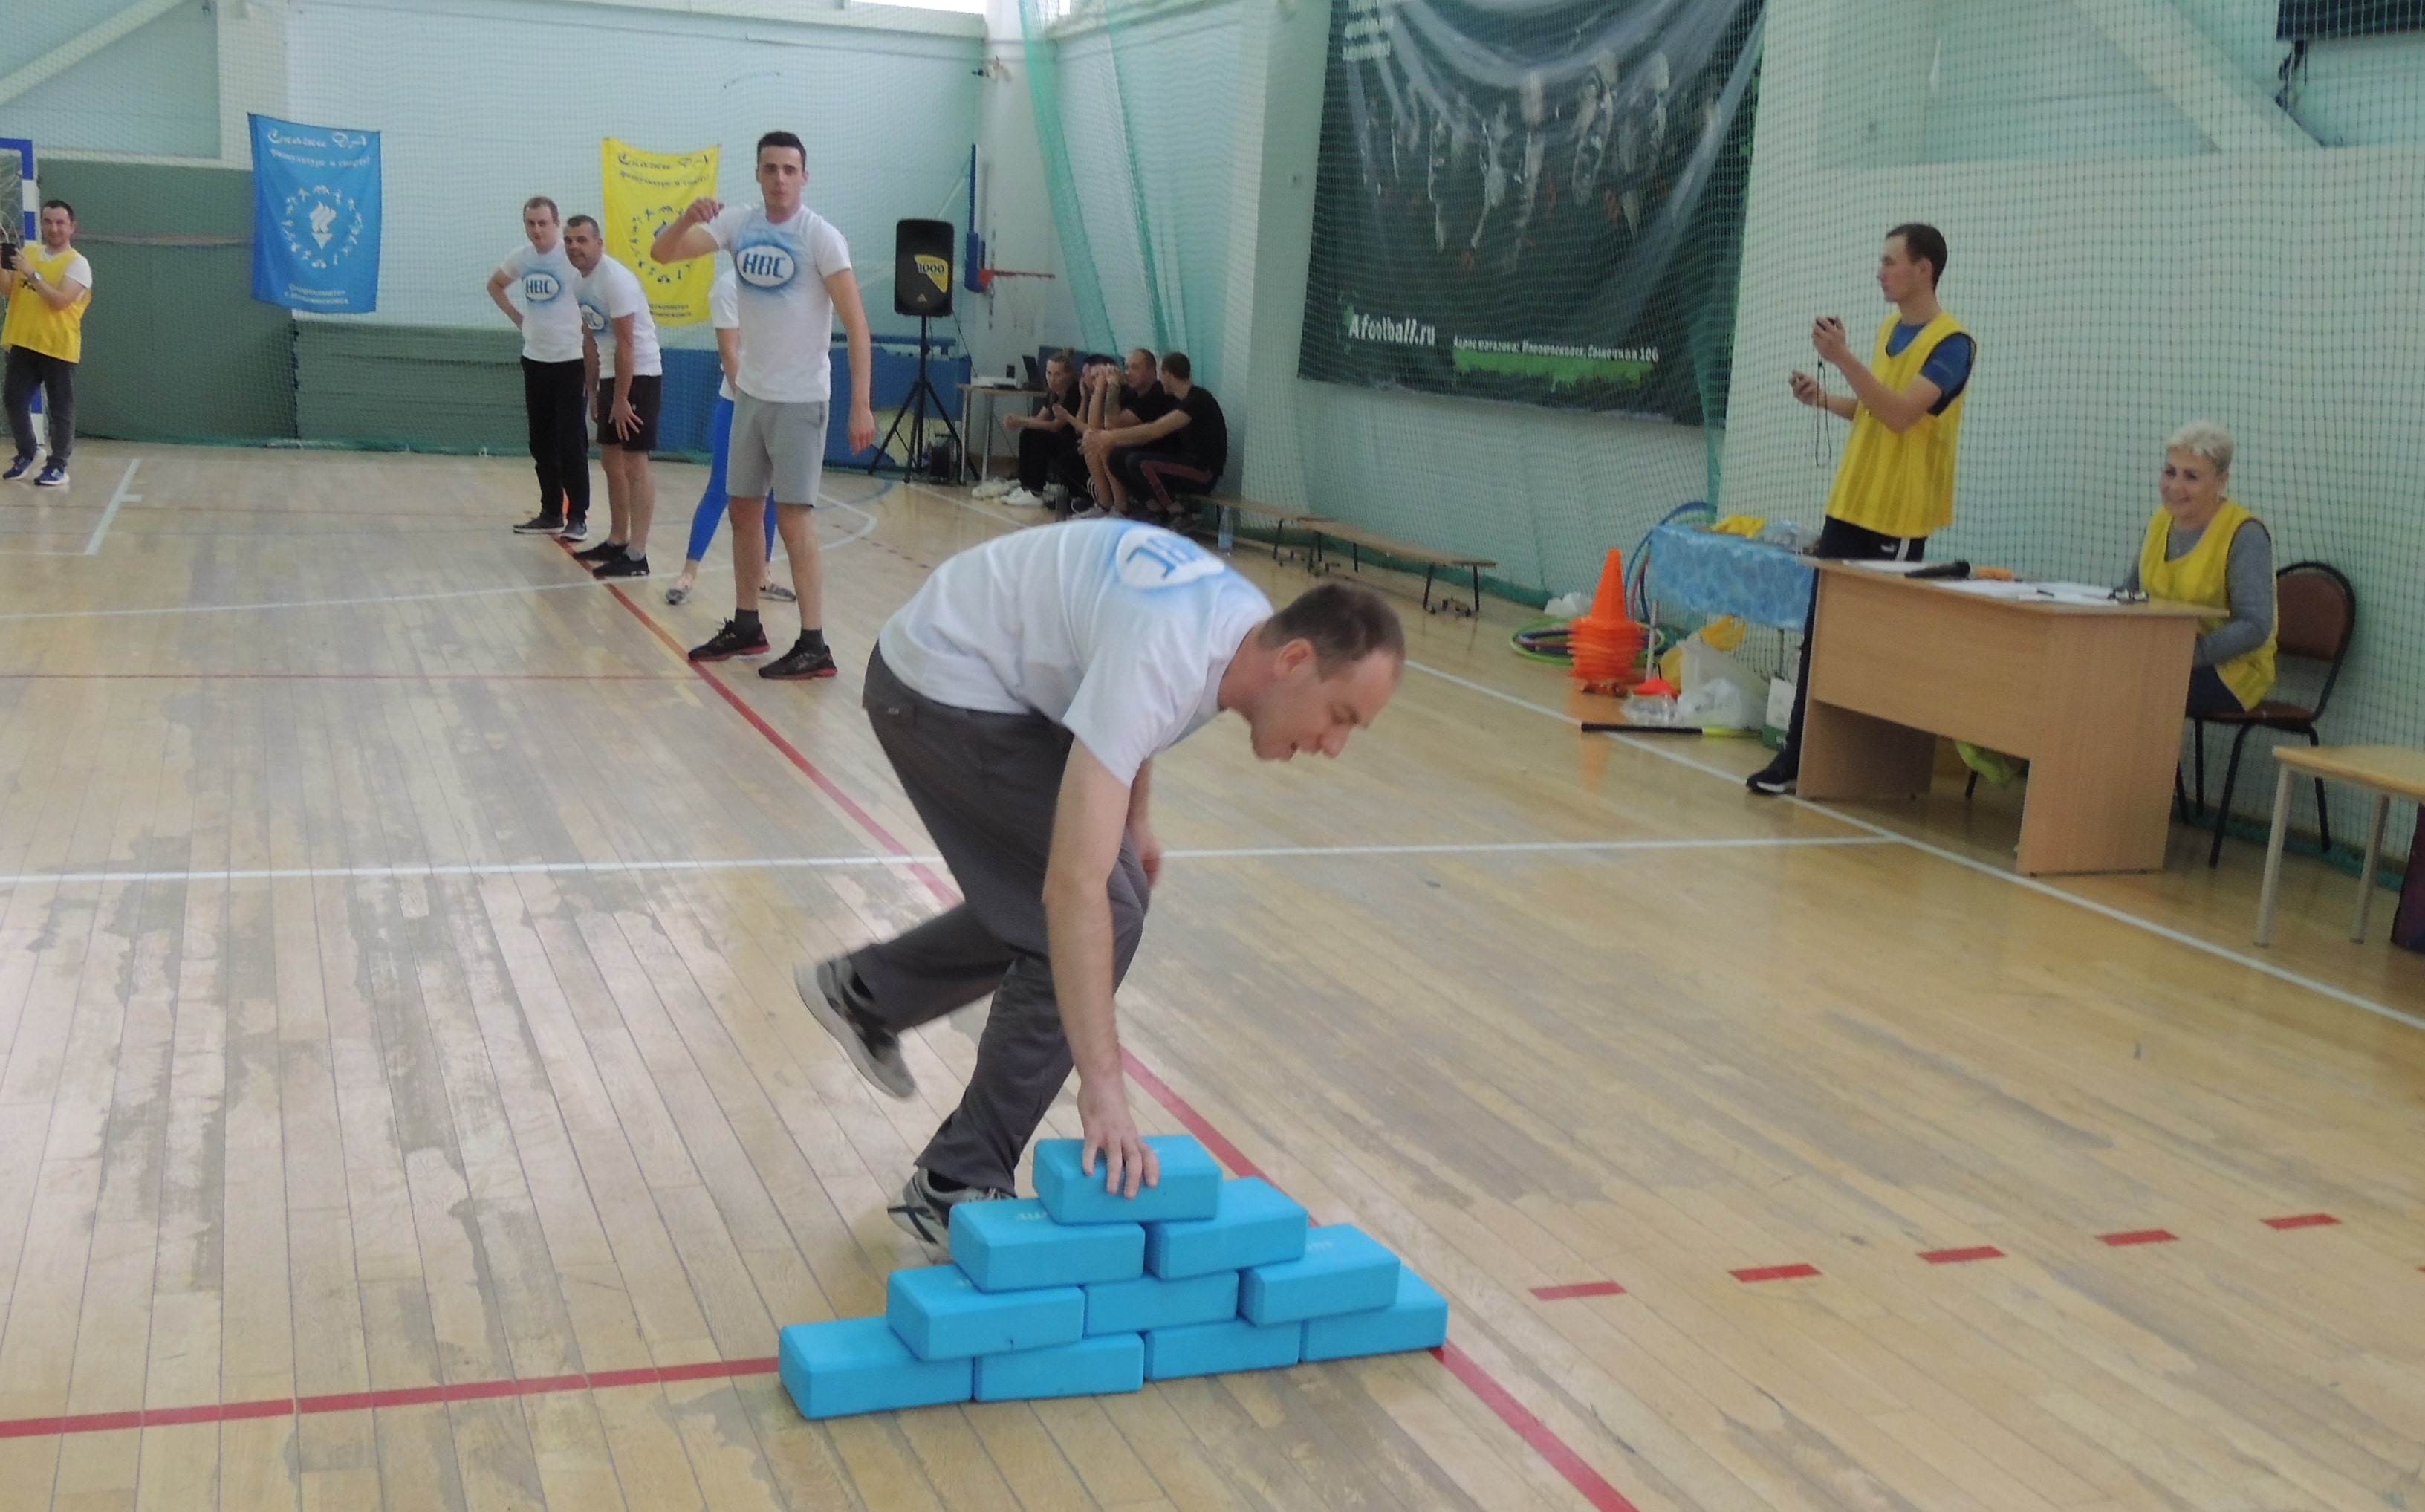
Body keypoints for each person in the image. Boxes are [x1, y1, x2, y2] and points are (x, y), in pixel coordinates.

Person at [796, 522, 1405, 1242]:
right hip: (940, 685)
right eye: (1340, 716)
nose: (1334, 746)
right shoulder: (1172, 650)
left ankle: (867, 992)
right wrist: (1104, 1090)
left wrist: (1135, 819)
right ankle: (955, 1180)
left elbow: (1127, 708)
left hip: (1003, 684)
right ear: (1295, 660)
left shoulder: (1237, 628)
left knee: (1111, 896)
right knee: (1097, 908)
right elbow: (1073, 887)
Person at [1748, 221, 1975, 796]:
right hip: (1852, 501)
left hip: (1897, 516)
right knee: (1821, 633)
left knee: (1875, 642)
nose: (1880, 272)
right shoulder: (1888, 330)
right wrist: (1825, 397)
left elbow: (1900, 414)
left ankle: (1867, 766)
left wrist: (1842, 358)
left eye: (1889, 262)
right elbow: (1875, 407)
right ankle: (1798, 757)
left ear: (1923, 269)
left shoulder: (1953, 344)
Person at [652, 130, 877, 681]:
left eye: (789, 169)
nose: (780, 178)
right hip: (750, 394)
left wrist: (862, 405)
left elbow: (856, 325)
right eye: (770, 168)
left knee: (794, 520)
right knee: (744, 511)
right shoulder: (738, 224)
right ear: (757, 174)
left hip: (801, 399)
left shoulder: (820, 237)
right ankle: (747, 624)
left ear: (804, 177)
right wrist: (685, 218)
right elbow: (663, 253)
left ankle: (814, 644)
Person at [2122, 421, 2275, 716]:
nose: (2174, 486)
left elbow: (2256, 626)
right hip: (2162, 658)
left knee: (2131, 689)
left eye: (2191, 476)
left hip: (2230, 672)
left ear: (2221, 481)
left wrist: (2189, 655)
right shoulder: (2159, 521)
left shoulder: (2245, 533)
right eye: (2170, 472)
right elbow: (2130, 594)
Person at [666, 262, 791, 607]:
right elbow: (729, 351)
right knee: (720, 488)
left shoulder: (785, 281)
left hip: (781, 401)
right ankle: (688, 573)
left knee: (770, 491)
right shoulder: (727, 288)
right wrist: (748, 403)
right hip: (739, 403)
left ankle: (763, 574)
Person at [564, 216, 663, 578]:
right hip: (610, 377)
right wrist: (593, 391)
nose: (575, 247)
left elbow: (627, 343)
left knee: (635, 464)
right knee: (610, 461)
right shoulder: (579, 282)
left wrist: (622, 398)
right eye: (569, 241)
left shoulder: (616, 280)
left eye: (582, 240)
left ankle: (638, 554)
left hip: (639, 376)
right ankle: (618, 539)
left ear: (599, 243)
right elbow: (590, 340)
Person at [487, 196, 591, 539]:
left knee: (571, 440)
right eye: (531, 223)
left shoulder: (570, 257)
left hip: (571, 360)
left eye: (543, 223)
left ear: (556, 224)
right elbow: (495, 285)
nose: (537, 230)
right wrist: (519, 318)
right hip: (536, 360)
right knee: (541, 441)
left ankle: (578, 516)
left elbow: (595, 291)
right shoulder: (523, 258)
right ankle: (551, 512)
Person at [2, 201, 94, 489]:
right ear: (41, 223)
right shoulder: (29, 253)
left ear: (72, 227)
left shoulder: (78, 263)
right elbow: (9, 289)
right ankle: (28, 451)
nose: (54, 228)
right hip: (24, 341)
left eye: (60, 223)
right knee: (14, 400)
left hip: (57, 345)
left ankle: (58, 466)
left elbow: (60, 301)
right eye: (48, 221)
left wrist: (32, 273)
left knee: (60, 410)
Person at [1080, 351, 1226, 525]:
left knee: (1139, 462)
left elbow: (1154, 430)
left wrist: (1109, 436)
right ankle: (1154, 511)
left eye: (1134, 367)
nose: (1160, 379)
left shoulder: (1196, 399)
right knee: (1118, 457)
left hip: (1203, 471)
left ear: (1167, 374)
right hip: (1184, 461)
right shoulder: (1180, 398)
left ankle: (1178, 513)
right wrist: (1105, 436)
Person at [1077, 348, 1173, 516]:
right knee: (1091, 438)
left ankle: (1121, 508)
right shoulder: (1133, 394)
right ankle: (1105, 504)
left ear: (1152, 371)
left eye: (1135, 368)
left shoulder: (1157, 393)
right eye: (1127, 368)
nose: (1128, 373)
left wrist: (1113, 385)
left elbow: (1112, 424)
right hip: (1138, 448)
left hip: (1161, 452)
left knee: (1105, 444)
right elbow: (1094, 427)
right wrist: (1100, 387)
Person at [1001, 348, 1085, 507]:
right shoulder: (1053, 393)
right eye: (1049, 373)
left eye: (1057, 375)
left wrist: (1021, 420)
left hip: (1072, 442)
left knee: (1040, 438)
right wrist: (1019, 421)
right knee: (1028, 433)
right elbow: (1039, 419)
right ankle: (1025, 486)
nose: (1052, 379)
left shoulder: (1074, 392)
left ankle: (1036, 491)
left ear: (1068, 375)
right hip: (1059, 440)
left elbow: (1055, 426)